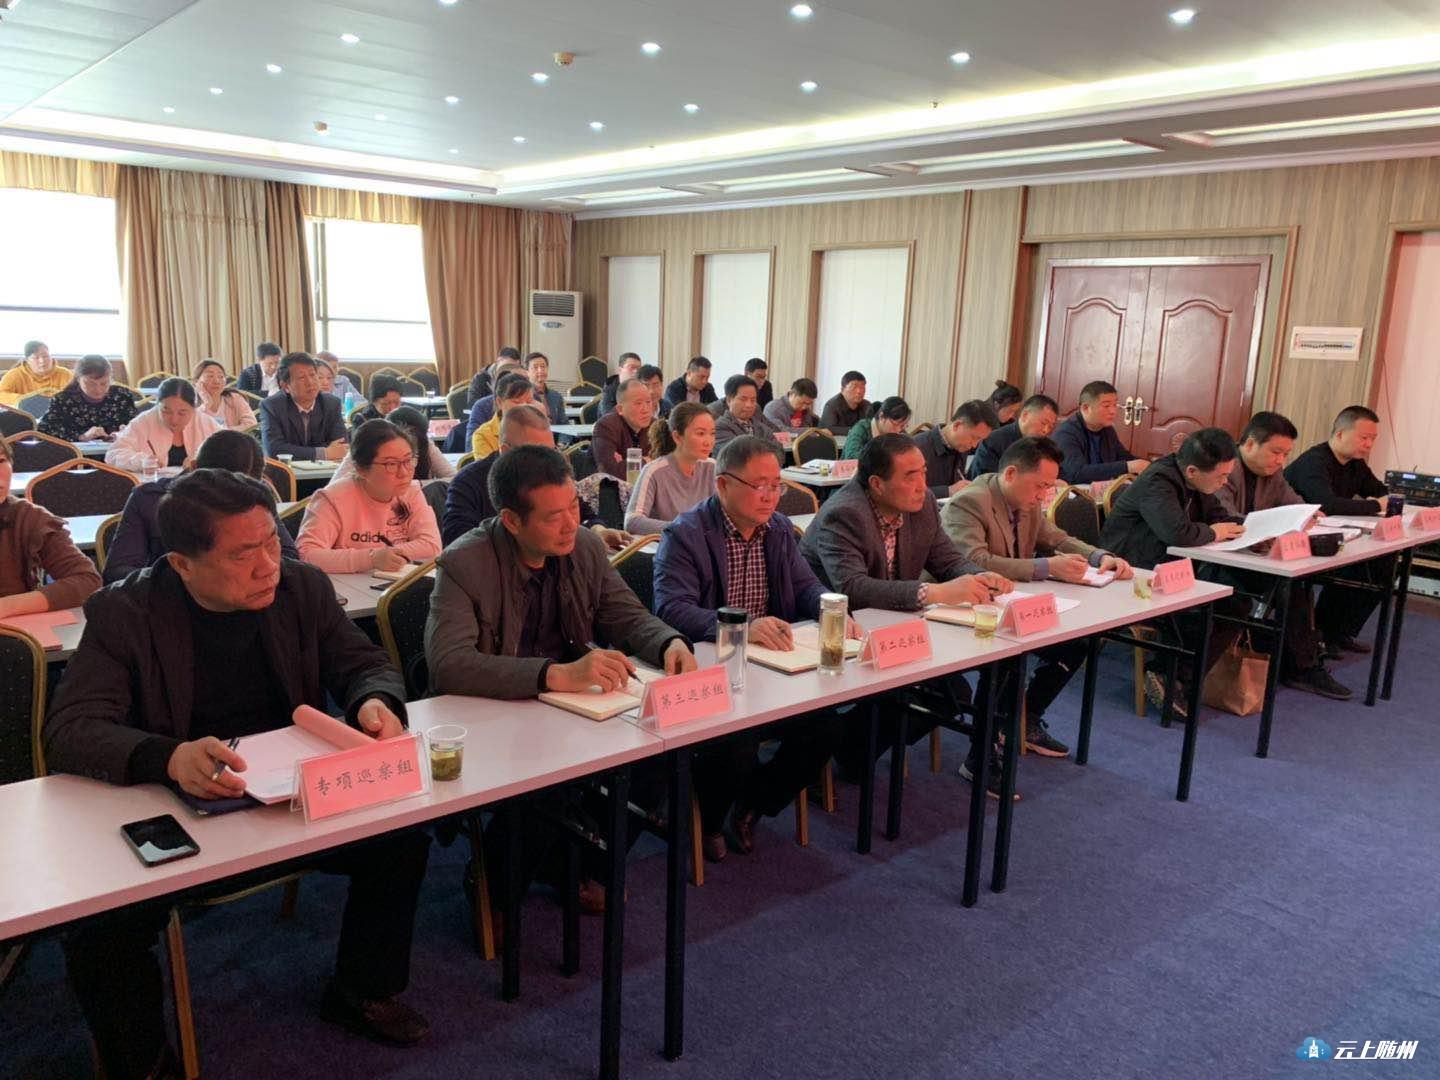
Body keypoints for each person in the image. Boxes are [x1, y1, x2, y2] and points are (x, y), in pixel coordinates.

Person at [45, 469, 432, 1076]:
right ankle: (142, 1063)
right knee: (99, 921)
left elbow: (363, 663)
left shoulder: (300, 586)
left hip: (289, 793)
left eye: (272, 543)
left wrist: (372, 702)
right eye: (242, 555)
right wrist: (169, 756)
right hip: (181, 797)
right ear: (183, 563)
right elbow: (72, 727)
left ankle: (362, 990)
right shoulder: (126, 611)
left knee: (401, 836)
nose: (267, 567)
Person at [425, 445, 695, 911]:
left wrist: (669, 642)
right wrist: (553, 674)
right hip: (496, 711)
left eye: (574, 507)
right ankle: (495, 887)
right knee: (544, 783)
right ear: (512, 520)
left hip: (571, 706)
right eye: (553, 517)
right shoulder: (465, 563)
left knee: (655, 756)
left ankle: (582, 866)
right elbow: (448, 663)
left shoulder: (584, 546)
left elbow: (627, 615)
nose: (571, 523)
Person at [654, 435, 854, 859]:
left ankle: (753, 804)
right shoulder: (686, 534)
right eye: (759, 485)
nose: (770, 496)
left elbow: (805, 585)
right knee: (736, 744)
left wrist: (831, 611)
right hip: (716, 671)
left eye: (776, 485)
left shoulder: (778, 529)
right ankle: (708, 820)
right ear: (723, 485)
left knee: (826, 728)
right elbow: (671, 608)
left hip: (773, 669)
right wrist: (742, 628)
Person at [943, 436, 1132, 767]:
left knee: (1076, 645)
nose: (1044, 495)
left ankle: (1023, 718)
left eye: (1049, 487)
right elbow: (974, 561)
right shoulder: (970, 502)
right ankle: (982, 753)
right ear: (1011, 474)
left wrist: (1099, 556)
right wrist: (1047, 567)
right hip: (965, 606)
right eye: (1040, 486)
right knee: (1006, 660)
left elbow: (1058, 538)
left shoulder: (1026, 502)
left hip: (1012, 602)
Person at [1099, 427, 1247, 716]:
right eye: (1221, 476)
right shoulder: (1158, 481)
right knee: (1201, 610)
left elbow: (1219, 517)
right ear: (1192, 470)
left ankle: (1175, 676)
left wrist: (1251, 527)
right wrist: (1214, 532)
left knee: (1236, 604)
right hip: (1132, 571)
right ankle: (1168, 674)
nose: (1225, 482)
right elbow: (1176, 533)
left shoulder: (1197, 483)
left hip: (1171, 570)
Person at [1216, 411, 1351, 700]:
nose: (1281, 461)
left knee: (1298, 582)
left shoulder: (1273, 473)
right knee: (1288, 586)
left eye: (1286, 454)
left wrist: (1308, 515)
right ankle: (1302, 665)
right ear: (1249, 444)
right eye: (1276, 452)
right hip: (1218, 558)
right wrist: (1270, 529)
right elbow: (1225, 517)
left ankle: (1303, 657)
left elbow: (1294, 504)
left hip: (1254, 554)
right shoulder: (1224, 468)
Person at [104, 428, 299, 583]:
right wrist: (201, 578)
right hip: (170, 604)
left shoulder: (257, 496)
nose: (234, 505)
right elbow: (117, 573)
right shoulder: (150, 499)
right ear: (194, 468)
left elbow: (290, 557)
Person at [441, 404, 630, 550]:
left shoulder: (552, 474)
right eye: (534, 453)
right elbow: (457, 543)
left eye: (550, 451)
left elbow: (582, 510)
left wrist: (598, 530)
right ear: (506, 451)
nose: (546, 462)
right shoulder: (468, 483)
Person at [1284, 404, 1392, 656]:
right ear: (1341, 434)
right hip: (1299, 541)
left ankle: (1340, 631)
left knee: (1383, 565)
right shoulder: (1314, 462)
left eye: (1373, 439)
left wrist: (1380, 501)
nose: (1369, 444)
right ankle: (1321, 634)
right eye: (1364, 437)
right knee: (1352, 565)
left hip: (1333, 536)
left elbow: (1380, 492)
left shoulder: (1356, 464)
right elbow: (1328, 505)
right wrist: (1376, 505)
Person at [296, 418, 441, 574]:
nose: (404, 473)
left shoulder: (411, 492)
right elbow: (307, 555)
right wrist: (371, 558)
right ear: (361, 469)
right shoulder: (332, 498)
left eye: (408, 460)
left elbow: (432, 546)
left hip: (393, 580)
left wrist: (387, 556)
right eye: (391, 464)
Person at [0, 436, 101, 615]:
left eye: (1, 461)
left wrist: (6, 606)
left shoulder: (28, 517)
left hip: (12, 627)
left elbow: (87, 580)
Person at [626, 402, 716, 536]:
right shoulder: (654, 470)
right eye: (701, 434)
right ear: (677, 437)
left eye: (712, 433)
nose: (708, 441)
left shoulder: (713, 467)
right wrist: (683, 528)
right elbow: (632, 522)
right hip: (667, 544)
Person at [107, 378, 222, 473]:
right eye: (166, 411)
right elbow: (113, 455)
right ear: (158, 405)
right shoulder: (144, 421)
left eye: (182, 413)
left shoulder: (205, 423)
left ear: (194, 409)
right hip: (151, 487)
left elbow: (227, 452)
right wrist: (143, 461)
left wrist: (201, 461)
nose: (174, 419)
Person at [1052, 380, 1149, 484]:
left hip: (1100, 488)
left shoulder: (1107, 429)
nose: (1113, 411)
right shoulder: (1066, 433)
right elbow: (1077, 473)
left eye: (1115, 405)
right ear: (1085, 408)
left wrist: (1152, 466)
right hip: (1073, 490)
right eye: (1106, 406)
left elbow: (1124, 457)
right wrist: (1128, 466)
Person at [258, 352, 349, 462]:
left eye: (312, 375)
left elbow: (341, 446)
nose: (310, 382)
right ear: (286, 386)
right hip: (287, 471)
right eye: (301, 378)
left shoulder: (331, 403)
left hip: (326, 471)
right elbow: (275, 449)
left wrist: (297, 451)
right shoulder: (272, 406)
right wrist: (324, 452)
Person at [331, 405, 454, 485]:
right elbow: (335, 485)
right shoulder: (366, 444)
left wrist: (417, 485)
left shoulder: (424, 443)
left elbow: (453, 479)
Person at [36, 354, 137, 441]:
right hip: (78, 455)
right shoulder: (63, 400)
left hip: (118, 453)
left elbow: (138, 426)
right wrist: (82, 436)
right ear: (78, 379)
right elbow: (43, 431)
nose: (98, 390)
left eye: (104, 383)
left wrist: (126, 432)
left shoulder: (122, 396)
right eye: (90, 384)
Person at [915, 399, 997, 498]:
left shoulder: (960, 446)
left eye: (979, 440)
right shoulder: (917, 448)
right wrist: (947, 491)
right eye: (974, 437)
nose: (974, 445)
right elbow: (905, 492)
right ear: (957, 425)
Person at [967, 393, 1059, 479]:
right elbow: (985, 479)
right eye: (1043, 423)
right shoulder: (995, 440)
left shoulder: (1042, 445)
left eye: (1050, 427)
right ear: (1025, 415)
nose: (1045, 430)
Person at [591, 377, 655, 480]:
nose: (645, 410)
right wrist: (645, 460)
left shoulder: (654, 426)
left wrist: (626, 464)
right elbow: (610, 473)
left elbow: (665, 464)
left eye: (648, 402)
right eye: (638, 403)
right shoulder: (606, 427)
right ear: (620, 409)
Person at [471, 374, 535, 459]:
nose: (524, 407)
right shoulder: (483, 435)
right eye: (517, 402)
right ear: (499, 402)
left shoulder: (538, 429)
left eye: (529, 401)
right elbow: (489, 467)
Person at [712, 374, 781, 452]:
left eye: (753, 400)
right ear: (729, 400)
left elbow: (779, 449)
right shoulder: (719, 427)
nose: (749, 405)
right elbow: (738, 453)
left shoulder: (760, 426)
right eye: (743, 399)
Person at [0, 340, 71, 406]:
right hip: (25, 413)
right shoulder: (15, 375)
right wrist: (24, 400)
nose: (42, 361)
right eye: (36, 358)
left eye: (45, 356)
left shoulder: (65, 374)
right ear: (27, 360)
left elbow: (75, 395)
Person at [192, 358, 257, 430]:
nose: (216, 381)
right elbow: (193, 430)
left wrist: (222, 433)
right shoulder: (189, 404)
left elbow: (251, 424)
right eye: (210, 376)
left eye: (221, 376)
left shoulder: (234, 398)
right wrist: (206, 405)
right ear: (196, 382)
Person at [841, 395, 911, 459]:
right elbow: (852, 457)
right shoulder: (861, 429)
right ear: (882, 417)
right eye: (896, 424)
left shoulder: (901, 432)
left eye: (903, 425)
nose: (899, 430)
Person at [819, 371, 871, 436]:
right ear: (842, 390)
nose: (859, 391)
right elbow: (828, 428)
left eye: (862, 387)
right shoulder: (832, 405)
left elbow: (871, 427)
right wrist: (856, 430)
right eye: (854, 387)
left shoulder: (867, 406)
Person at [526, 351, 567, 425]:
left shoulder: (556, 396)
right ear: (527, 372)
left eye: (543, 366)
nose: (540, 370)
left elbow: (564, 423)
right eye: (535, 367)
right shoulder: (523, 396)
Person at [599, 352, 644, 416]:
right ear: (620, 370)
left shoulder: (642, 387)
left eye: (638, 368)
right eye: (632, 367)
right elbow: (610, 418)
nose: (636, 371)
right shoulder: (609, 391)